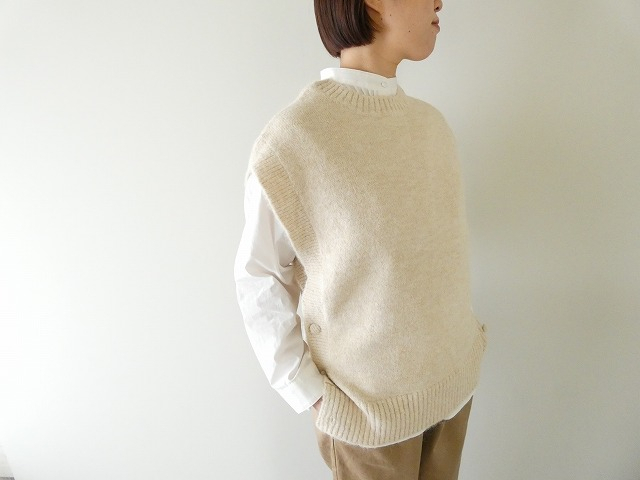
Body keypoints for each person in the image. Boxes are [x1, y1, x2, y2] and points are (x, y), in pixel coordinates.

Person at [234, 0, 488, 478]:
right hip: (366, 422)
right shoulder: (295, 138)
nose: (440, 2)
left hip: (453, 392)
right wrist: (307, 391)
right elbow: (259, 276)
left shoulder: (432, 127)